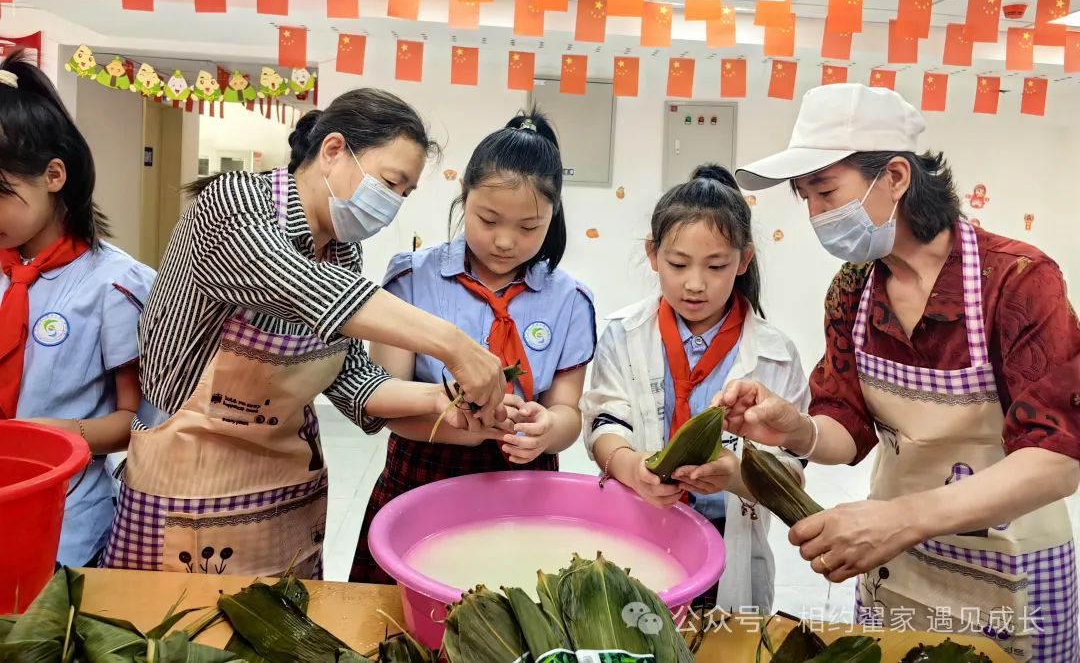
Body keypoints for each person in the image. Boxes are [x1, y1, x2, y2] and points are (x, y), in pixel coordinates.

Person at [720, 83, 1079, 661]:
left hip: (1011, 566)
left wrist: (901, 520)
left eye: (826, 191)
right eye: (804, 197)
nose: (815, 215)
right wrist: (796, 429)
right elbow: (850, 429)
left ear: (894, 177)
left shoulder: (1015, 282)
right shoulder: (855, 290)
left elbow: (1057, 460)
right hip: (897, 562)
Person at [101, 90, 506, 579]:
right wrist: (455, 345)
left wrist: (443, 400)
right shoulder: (234, 203)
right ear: (333, 151)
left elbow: (353, 379)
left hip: (286, 490)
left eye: (406, 194)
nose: (393, 204)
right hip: (188, 482)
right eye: (390, 183)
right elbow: (299, 285)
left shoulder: (342, 253)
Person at [350, 110, 596, 583]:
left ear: (553, 215)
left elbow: (567, 412)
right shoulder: (412, 280)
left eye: (529, 227)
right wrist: (471, 426)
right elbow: (388, 402)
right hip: (423, 472)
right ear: (464, 194)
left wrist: (547, 430)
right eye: (488, 219)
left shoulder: (569, 301)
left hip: (524, 481)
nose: (505, 241)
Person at [581, 164, 810, 612]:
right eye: (678, 264)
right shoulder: (623, 334)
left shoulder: (775, 354)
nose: (695, 284)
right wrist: (630, 467)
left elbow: (793, 468)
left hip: (729, 548)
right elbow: (605, 421)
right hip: (639, 529)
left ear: (744, 261)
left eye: (717, 265)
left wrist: (737, 477)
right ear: (652, 254)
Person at [0, 48, 155, 567]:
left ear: (54, 176)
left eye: (1, 192)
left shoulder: (114, 285)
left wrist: (45, 437)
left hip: (63, 520)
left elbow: (135, 424)